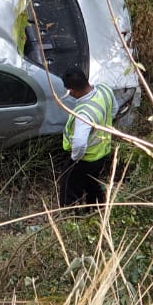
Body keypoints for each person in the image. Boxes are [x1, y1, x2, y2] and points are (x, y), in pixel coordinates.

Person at [57, 66, 117, 207]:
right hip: (102, 152)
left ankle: (70, 214)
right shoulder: (105, 89)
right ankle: (97, 208)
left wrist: (74, 159)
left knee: (69, 187)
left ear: (71, 91)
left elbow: (79, 144)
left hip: (86, 158)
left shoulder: (84, 114)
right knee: (92, 182)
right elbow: (114, 110)